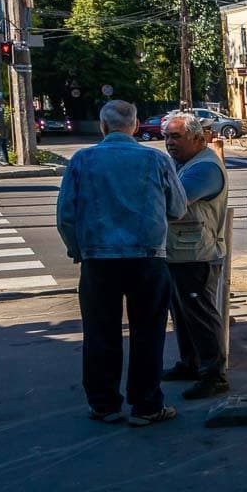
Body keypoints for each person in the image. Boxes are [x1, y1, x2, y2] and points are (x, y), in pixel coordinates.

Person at [56, 100, 188, 426]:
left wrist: (78, 249)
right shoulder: (155, 159)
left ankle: (104, 405)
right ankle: (146, 406)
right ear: (135, 125)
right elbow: (178, 208)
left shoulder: (82, 161)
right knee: (148, 333)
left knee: (100, 333)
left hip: (98, 260)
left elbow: (66, 217)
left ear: (103, 126)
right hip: (147, 258)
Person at [160, 111, 231, 399]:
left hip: (197, 252)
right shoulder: (185, 163)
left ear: (198, 139)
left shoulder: (204, 168)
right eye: (166, 137)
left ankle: (214, 374)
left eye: (176, 137)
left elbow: (175, 204)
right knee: (183, 314)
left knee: (200, 314)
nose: (169, 143)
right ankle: (191, 363)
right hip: (181, 251)